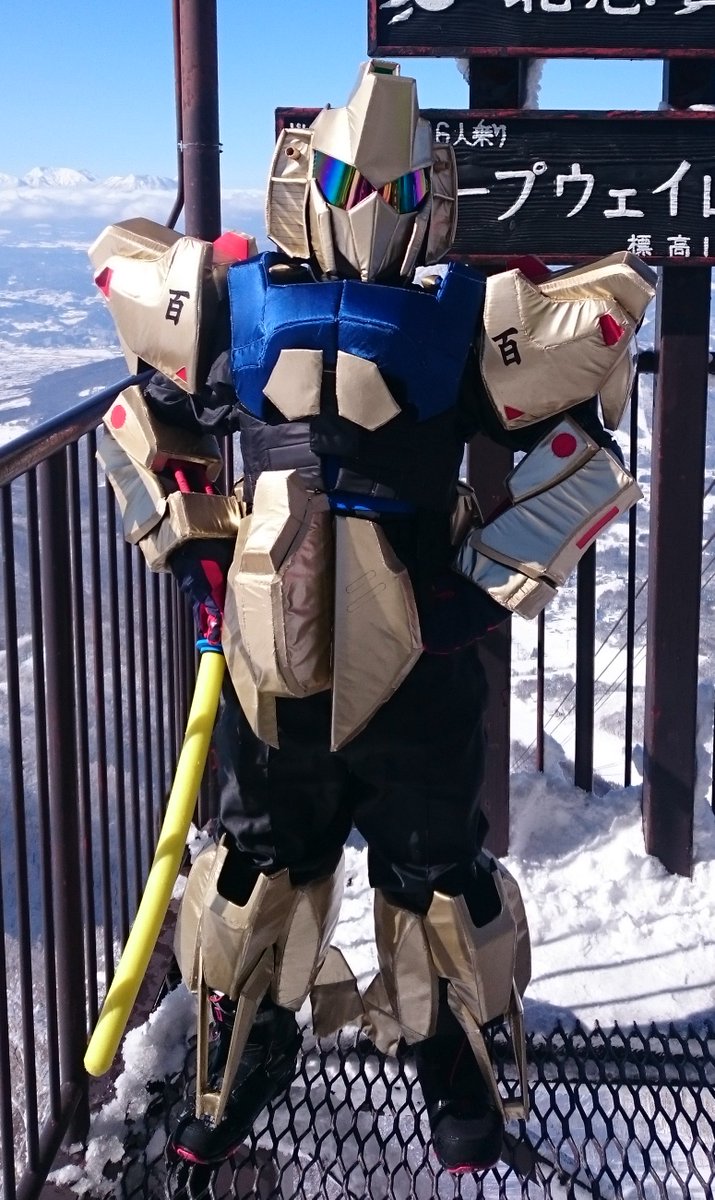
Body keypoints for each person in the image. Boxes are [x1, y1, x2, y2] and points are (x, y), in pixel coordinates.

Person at [89, 61, 655, 1175]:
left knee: (436, 870)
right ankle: (240, 1058)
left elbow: (584, 454)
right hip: (272, 652)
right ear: (307, 179)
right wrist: (193, 540)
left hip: (414, 649)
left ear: (430, 196)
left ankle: (455, 1066)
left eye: (393, 192)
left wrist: (482, 580)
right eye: (350, 185)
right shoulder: (235, 299)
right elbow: (144, 417)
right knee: (257, 868)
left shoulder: (468, 316)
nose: (368, 211)